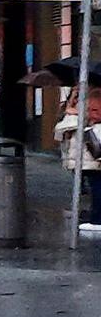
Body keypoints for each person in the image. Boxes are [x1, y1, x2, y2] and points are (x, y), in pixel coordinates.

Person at [55, 88, 101, 232]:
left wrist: (77, 114)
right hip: (87, 161)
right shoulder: (84, 116)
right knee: (95, 187)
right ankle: (95, 216)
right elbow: (60, 130)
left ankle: (97, 219)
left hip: (93, 162)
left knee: (97, 188)